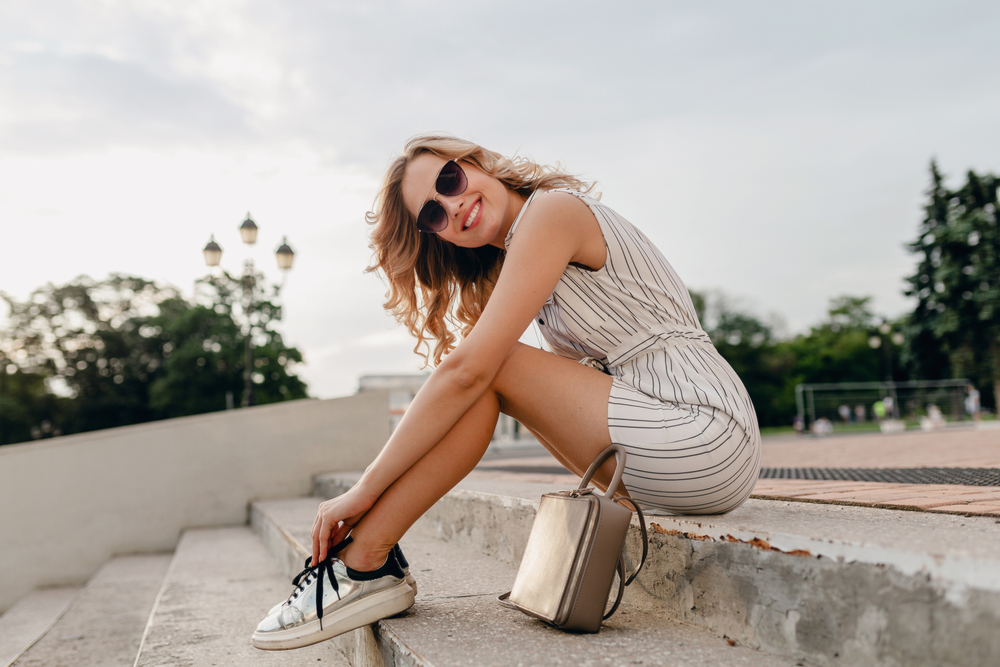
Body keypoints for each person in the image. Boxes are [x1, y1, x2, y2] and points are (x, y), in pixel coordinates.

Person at [252, 135, 762, 650]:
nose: (453, 205)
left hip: (705, 425)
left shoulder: (552, 212)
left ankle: (365, 564)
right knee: (482, 378)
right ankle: (367, 561)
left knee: (488, 366)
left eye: (450, 180)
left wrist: (363, 490)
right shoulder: (524, 259)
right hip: (664, 444)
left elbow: (469, 370)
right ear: (439, 238)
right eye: (433, 214)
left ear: (477, 164)